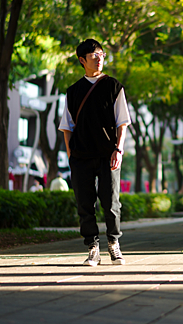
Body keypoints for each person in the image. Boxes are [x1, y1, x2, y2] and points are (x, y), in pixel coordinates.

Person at [59, 38, 131, 267]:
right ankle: (92, 247)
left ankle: (113, 244)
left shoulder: (114, 87)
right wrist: (71, 155)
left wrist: (118, 150)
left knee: (111, 202)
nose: (99, 59)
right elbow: (66, 128)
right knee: (84, 203)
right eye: (94, 56)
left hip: (107, 154)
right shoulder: (73, 92)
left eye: (101, 55)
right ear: (82, 60)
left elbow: (123, 123)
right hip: (81, 157)